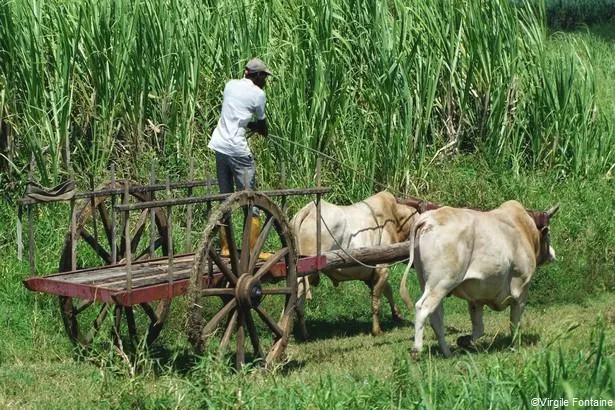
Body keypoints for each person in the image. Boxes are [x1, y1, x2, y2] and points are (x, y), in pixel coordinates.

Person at [208, 57, 272, 257]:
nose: (265, 81)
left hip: (219, 146)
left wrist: (247, 124)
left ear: (245, 72)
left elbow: (235, 113)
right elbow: (262, 126)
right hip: (238, 153)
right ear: (258, 76)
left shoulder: (230, 85)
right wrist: (259, 129)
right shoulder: (258, 95)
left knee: (225, 200)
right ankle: (252, 250)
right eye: (264, 77)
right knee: (249, 199)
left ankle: (226, 249)